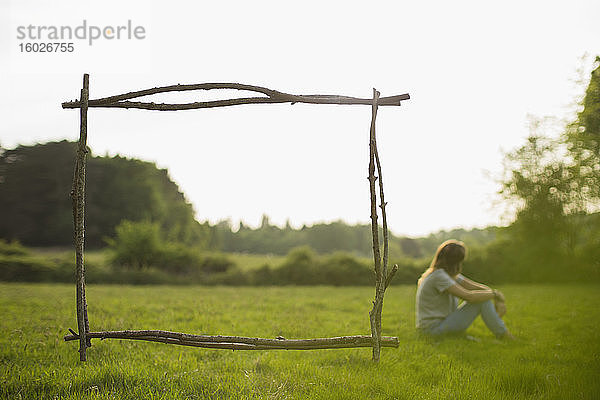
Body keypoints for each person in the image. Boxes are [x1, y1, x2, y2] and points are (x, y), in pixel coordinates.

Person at [415, 239, 514, 339]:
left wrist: (497, 297)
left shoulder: (448, 274)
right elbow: (469, 297)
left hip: (440, 324)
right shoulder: (439, 276)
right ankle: (504, 335)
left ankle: (502, 333)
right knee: (482, 301)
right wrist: (495, 295)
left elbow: (476, 287)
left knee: (483, 297)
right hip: (432, 330)